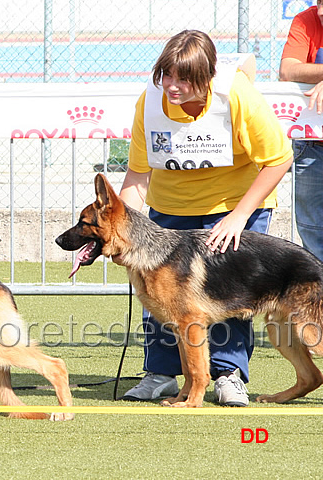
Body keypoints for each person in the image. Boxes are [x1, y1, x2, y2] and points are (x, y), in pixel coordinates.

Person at [119, 30, 293, 406]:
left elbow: (279, 159)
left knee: (230, 298)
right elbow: (136, 175)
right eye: (166, 75)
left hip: (235, 205)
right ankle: (161, 373)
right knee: (161, 300)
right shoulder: (150, 102)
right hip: (170, 212)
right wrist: (123, 225)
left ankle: (228, 375)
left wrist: (239, 217)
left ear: (207, 78)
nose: (171, 86)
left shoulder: (238, 94)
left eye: (183, 79)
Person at [280, 0, 323, 262]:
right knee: (313, 236)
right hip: (311, 144)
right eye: (319, 1)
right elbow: (287, 70)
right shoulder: (305, 20)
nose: (320, 10)